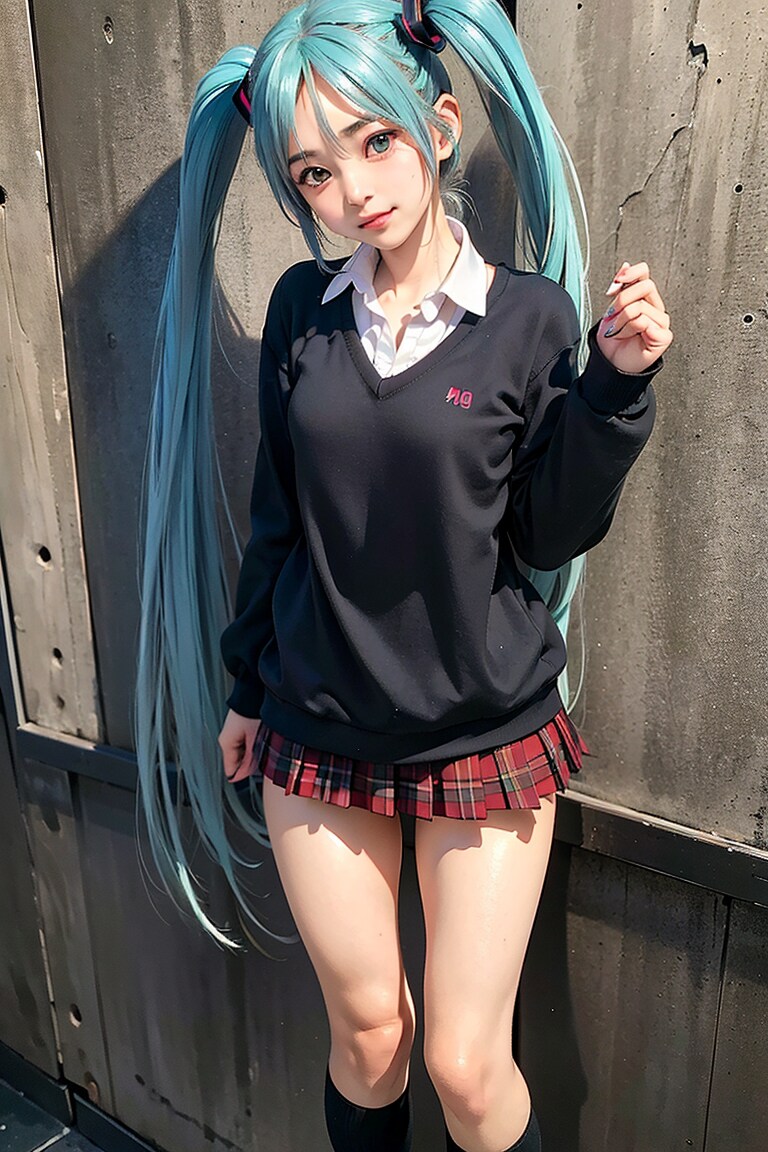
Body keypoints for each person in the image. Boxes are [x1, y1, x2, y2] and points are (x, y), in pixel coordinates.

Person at [135, 2, 673, 1150]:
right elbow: (279, 518)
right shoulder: (302, 311)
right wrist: (246, 688)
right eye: (314, 172)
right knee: (372, 1036)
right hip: (316, 723)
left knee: (467, 1068)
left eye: (374, 140)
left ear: (435, 128)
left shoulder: (528, 317)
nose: (353, 189)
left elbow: (545, 533)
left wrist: (613, 391)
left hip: (483, 726)